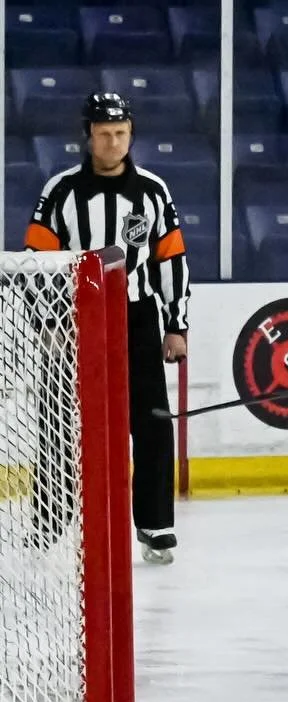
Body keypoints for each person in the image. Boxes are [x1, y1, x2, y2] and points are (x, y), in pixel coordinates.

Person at [26, 92, 190, 565]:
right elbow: (36, 261)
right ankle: (49, 522)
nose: (113, 142)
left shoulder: (153, 191)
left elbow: (171, 259)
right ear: (88, 136)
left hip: (137, 318)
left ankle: (156, 525)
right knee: (60, 420)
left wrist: (176, 325)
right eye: (104, 134)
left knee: (152, 423)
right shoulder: (60, 191)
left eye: (121, 133)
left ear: (131, 135)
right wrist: (50, 321)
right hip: (74, 319)